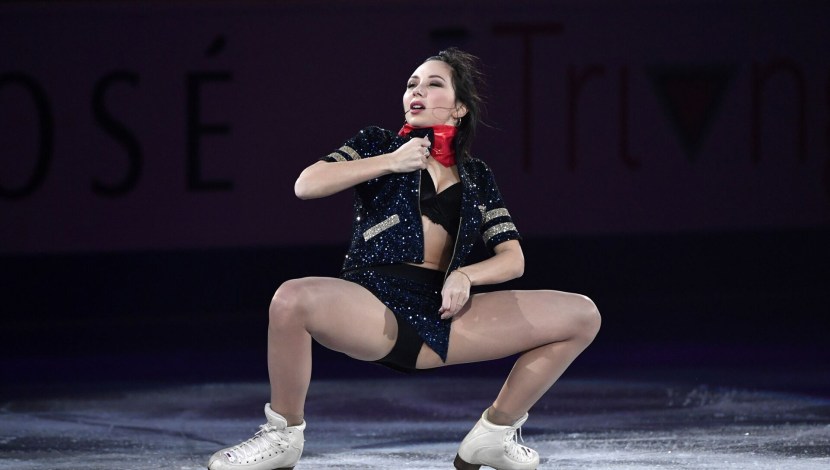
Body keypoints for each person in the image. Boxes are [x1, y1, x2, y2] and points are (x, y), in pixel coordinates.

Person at [208, 47, 600, 470]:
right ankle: (283, 434)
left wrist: (466, 275)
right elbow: (307, 184)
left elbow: (513, 258)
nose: (418, 91)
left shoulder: (477, 174)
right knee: (291, 299)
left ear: (460, 108)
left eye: (434, 84)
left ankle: (494, 433)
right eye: (412, 83)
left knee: (581, 315)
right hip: (374, 307)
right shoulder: (377, 143)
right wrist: (389, 162)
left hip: (445, 314)